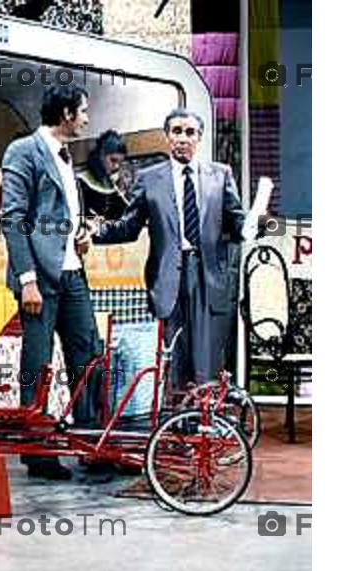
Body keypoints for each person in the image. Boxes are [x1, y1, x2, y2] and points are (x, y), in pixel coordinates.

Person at [93, 108, 265, 389]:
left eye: (189, 132)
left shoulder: (220, 175)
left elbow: (236, 222)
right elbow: (129, 226)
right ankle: (175, 427)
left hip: (209, 277)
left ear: (199, 137)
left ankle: (206, 425)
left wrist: (257, 224)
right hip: (168, 278)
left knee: (207, 362)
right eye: (176, 132)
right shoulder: (149, 178)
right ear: (167, 137)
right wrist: (96, 232)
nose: (182, 138)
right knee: (174, 362)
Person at [1, 83, 101, 480]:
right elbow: (12, 218)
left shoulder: (66, 157)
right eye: (84, 111)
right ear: (66, 114)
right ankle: (38, 455)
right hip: (39, 278)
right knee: (38, 364)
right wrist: (27, 280)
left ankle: (92, 444)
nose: (87, 118)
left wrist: (82, 233)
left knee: (88, 355)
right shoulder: (23, 150)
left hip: (73, 273)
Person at [77, 129, 128, 220]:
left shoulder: (111, 185)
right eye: (113, 160)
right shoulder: (81, 183)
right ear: (100, 156)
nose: (116, 166)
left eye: (120, 162)